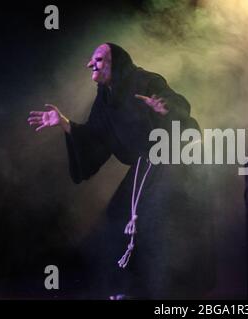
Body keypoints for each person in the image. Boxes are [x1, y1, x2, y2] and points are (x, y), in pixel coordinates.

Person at [27, 43, 215, 299]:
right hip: (145, 165)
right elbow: (94, 136)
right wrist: (65, 124)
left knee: (154, 223)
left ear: (117, 63)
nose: (90, 64)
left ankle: (167, 292)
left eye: (99, 59)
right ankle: (125, 290)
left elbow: (179, 105)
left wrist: (165, 107)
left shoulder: (144, 80)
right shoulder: (105, 99)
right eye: (92, 59)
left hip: (173, 158)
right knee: (116, 217)